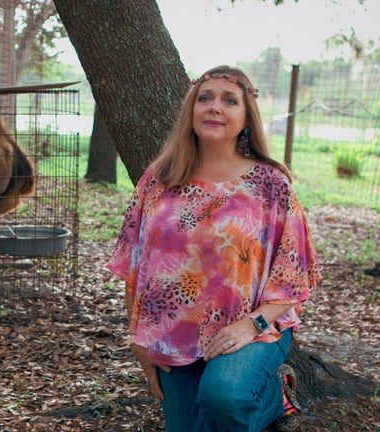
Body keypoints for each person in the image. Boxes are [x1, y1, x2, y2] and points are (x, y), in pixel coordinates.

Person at [107, 65, 321, 432]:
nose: (215, 107)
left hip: (253, 326)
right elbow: (135, 265)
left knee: (225, 397)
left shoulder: (271, 183)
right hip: (172, 332)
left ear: (246, 117)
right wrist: (138, 337)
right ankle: (262, 401)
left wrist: (251, 326)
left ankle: (271, 396)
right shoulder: (160, 179)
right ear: (191, 111)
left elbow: (294, 273)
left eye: (229, 100)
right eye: (204, 98)